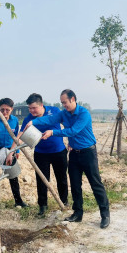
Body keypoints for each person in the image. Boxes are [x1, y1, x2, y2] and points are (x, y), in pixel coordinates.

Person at [25, 89, 110, 229]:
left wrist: (53, 132)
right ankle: (77, 213)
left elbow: (73, 131)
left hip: (88, 153)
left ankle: (105, 214)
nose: (64, 105)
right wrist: (34, 122)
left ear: (73, 99)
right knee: (75, 185)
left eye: (65, 102)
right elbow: (50, 119)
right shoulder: (63, 114)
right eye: (62, 103)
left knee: (96, 183)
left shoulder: (84, 114)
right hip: (74, 154)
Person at [19, 93, 68, 216]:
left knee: (61, 178)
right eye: (29, 108)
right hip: (41, 153)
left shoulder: (54, 111)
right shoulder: (28, 119)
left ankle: (64, 201)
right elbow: (20, 136)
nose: (31, 111)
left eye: (34, 108)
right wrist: (13, 150)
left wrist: (71, 140)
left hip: (59, 151)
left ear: (41, 105)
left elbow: (66, 124)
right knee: (42, 180)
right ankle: (42, 206)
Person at [0, 98, 28, 208]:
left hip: (9, 150)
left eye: (7, 110)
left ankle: (18, 201)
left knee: (13, 176)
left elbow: (16, 136)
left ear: (12, 109)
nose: (4, 112)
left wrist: (16, 150)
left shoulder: (14, 121)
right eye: (2, 110)